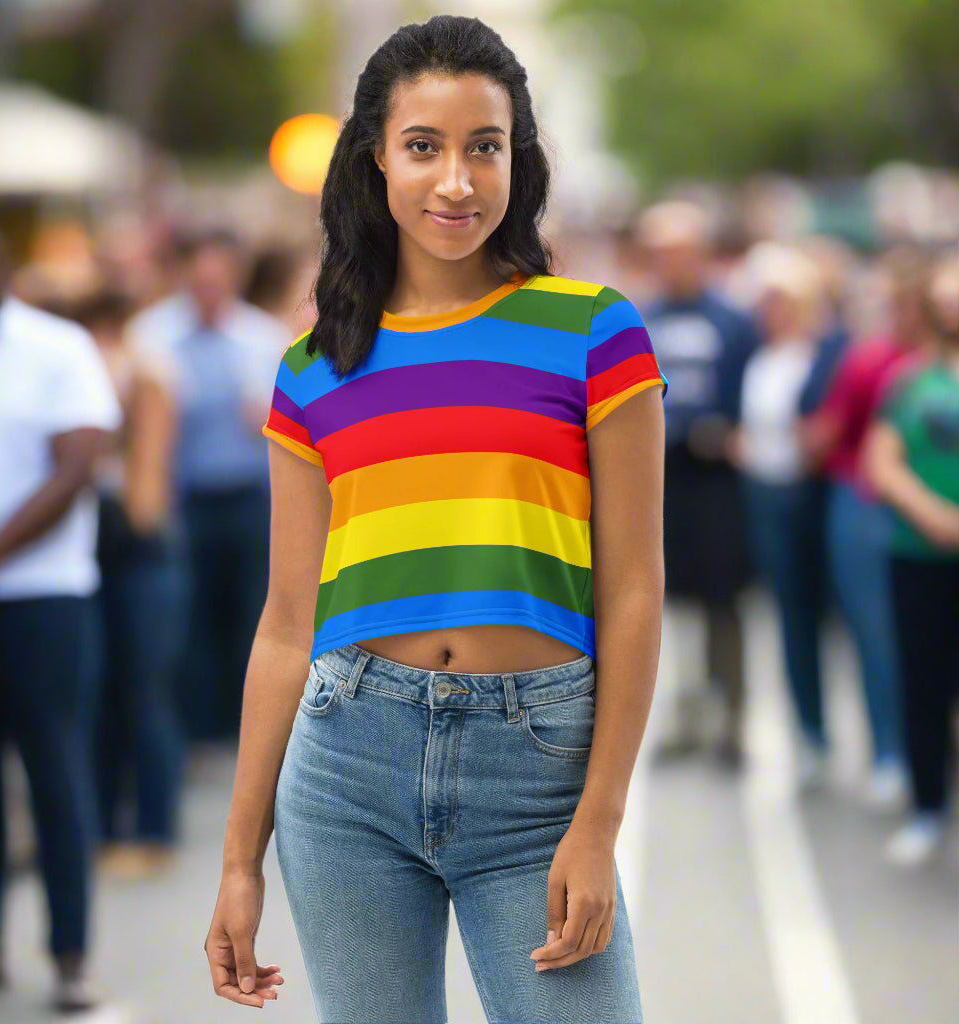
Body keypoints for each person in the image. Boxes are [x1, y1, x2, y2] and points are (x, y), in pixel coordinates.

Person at [203, 15, 667, 1022]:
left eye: (483, 147)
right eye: (424, 147)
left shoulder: (593, 329)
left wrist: (598, 821)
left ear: (519, 159)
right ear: (377, 161)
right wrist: (240, 862)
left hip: (538, 774)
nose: (454, 181)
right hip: (346, 773)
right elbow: (287, 623)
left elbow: (632, 589)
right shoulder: (313, 370)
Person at [0, 220, 121, 1012]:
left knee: (53, 773)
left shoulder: (56, 347)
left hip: (42, 596)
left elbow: (77, 467)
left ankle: (69, 951)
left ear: (1, 271)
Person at [125, 227, 290, 740]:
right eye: (200, 278)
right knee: (187, 615)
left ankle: (241, 725)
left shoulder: (262, 337)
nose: (209, 287)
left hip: (248, 497)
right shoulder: (152, 335)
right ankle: (195, 725)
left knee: (248, 609)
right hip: (184, 497)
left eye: (219, 278)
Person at [800, 246, 938, 809]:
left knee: (890, 638)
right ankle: (891, 751)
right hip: (869, 506)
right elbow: (830, 439)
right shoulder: (873, 361)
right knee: (880, 636)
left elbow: (821, 439)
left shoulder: (888, 363)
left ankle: (903, 753)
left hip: (874, 508)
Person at [636, 199, 761, 767]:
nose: (672, 262)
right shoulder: (642, 318)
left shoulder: (732, 321)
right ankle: (684, 718)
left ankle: (731, 720)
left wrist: (728, 430)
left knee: (722, 602)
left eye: (681, 251)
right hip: (661, 479)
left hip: (717, 482)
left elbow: (750, 400)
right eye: (662, 253)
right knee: (669, 603)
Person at [79, 290, 187, 878]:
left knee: (145, 689)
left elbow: (146, 495)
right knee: (97, 694)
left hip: (142, 545)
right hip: (93, 547)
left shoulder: (148, 370)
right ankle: (100, 826)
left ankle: (153, 827)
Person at [862, 253, 959, 866]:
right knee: (923, 684)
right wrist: (933, 515)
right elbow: (881, 461)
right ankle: (928, 809)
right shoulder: (911, 380)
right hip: (918, 558)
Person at [728, 245, 831, 790]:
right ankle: (810, 735)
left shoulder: (821, 355)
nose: (771, 310)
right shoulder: (758, 357)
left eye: (780, 300)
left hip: (810, 497)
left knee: (830, 623)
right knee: (789, 619)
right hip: (765, 497)